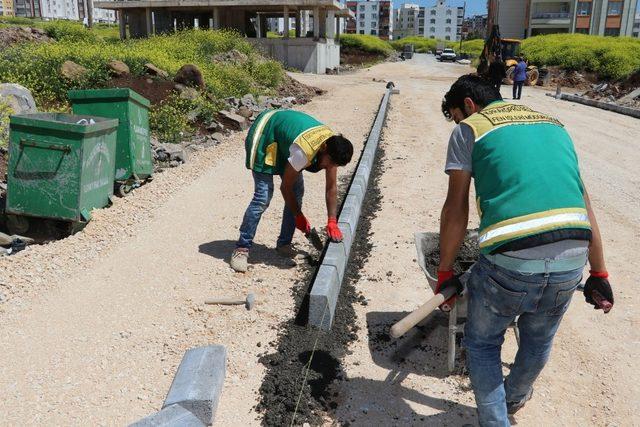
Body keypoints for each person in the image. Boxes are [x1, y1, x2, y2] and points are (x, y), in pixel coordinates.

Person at [438, 75, 613, 426]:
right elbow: (584, 205)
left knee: (483, 344)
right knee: (538, 340)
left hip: (510, 264)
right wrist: (599, 273)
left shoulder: (470, 128)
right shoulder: (552, 124)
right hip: (571, 260)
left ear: (468, 106)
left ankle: (495, 420)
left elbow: (456, 208)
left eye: (457, 115)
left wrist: (444, 272)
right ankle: (515, 396)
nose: (459, 122)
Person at [230, 109, 354, 273]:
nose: (330, 168)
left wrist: (332, 220)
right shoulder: (303, 153)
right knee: (263, 197)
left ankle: (284, 244)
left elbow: (331, 187)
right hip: (266, 133)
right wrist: (298, 216)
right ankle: (241, 248)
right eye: (329, 163)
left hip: (286, 141)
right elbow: (285, 187)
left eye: (334, 166)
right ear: (324, 148)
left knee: (297, 192)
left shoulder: (332, 149)